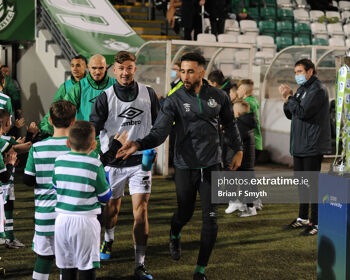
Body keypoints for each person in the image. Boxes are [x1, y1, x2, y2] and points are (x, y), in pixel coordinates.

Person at [119, 52, 243, 280]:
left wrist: (239, 149)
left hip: (212, 166)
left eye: (190, 71)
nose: (184, 76)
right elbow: (159, 132)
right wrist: (138, 144)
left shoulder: (219, 96)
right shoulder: (174, 100)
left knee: (211, 219)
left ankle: (200, 271)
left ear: (202, 72)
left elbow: (230, 124)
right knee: (184, 213)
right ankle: (175, 233)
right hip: (185, 166)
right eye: (182, 71)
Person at [90, 51, 160, 280]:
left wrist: (153, 146)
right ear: (114, 70)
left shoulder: (148, 94)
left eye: (129, 68)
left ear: (135, 68)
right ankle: (108, 239)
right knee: (111, 211)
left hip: (140, 161)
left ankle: (140, 264)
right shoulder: (104, 97)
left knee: (141, 210)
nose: (125, 72)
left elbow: (159, 126)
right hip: (114, 163)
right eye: (120, 69)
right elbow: (93, 130)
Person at [52, 121, 113, 280]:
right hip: (85, 222)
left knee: (67, 268)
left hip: (61, 221)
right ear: (93, 145)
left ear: (67, 142)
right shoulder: (95, 164)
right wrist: (107, 180)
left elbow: (56, 187)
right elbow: (105, 196)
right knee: (86, 268)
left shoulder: (59, 161)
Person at [24, 100, 76, 280]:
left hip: (45, 214)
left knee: (44, 257)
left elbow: (28, 180)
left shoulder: (37, 148)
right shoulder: (80, 148)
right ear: (73, 121)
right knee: (68, 262)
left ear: (51, 121)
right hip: (71, 216)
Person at [280, 58, 331, 236]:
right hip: (300, 144)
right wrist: (287, 100)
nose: (297, 76)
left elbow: (303, 112)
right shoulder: (303, 89)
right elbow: (291, 114)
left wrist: (290, 98)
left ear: (310, 71)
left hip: (312, 144)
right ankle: (303, 218)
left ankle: (316, 223)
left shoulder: (318, 90)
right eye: (295, 72)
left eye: (300, 72)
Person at [224, 100, 259, 217]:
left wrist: (223, 134)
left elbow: (233, 140)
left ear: (237, 113)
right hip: (247, 160)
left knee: (231, 180)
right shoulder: (247, 122)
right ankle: (248, 206)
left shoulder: (239, 124)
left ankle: (235, 202)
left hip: (239, 159)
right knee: (246, 184)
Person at [39, 55, 87, 135]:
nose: (74, 69)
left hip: (87, 128)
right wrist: (43, 126)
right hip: (70, 130)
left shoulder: (90, 86)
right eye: (72, 66)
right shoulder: (65, 86)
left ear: (85, 67)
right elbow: (54, 107)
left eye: (78, 65)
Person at [63, 54, 116, 122]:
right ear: (89, 67)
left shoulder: (115, 85)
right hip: (85, 131)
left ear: (106, 67)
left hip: (110, 131)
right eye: (94, 68)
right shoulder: (79, 86)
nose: (97, 72)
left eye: (101, 68)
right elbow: (64, 109)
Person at [237, 79, 263, 154]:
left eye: (239, 89)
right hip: (256, 142)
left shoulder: (246, 103)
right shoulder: (254, 101)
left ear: (244, 91)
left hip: (250, 142)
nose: (237, 91)